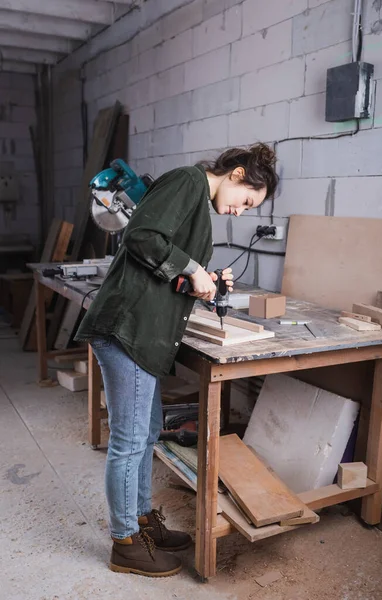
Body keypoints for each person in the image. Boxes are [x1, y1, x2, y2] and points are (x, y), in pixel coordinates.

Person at [75, 142, 279, 577]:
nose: (241, 212)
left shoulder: (197, 204)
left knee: (146, 433)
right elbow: (141, 237)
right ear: (237, 175)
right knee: (129, 441)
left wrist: (205, 281)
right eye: (246, 202)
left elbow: (163, 270)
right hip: (126, 328)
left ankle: (143, 522)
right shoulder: (187, 181)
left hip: (143, 333)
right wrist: (192, 266)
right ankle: (125, 542)